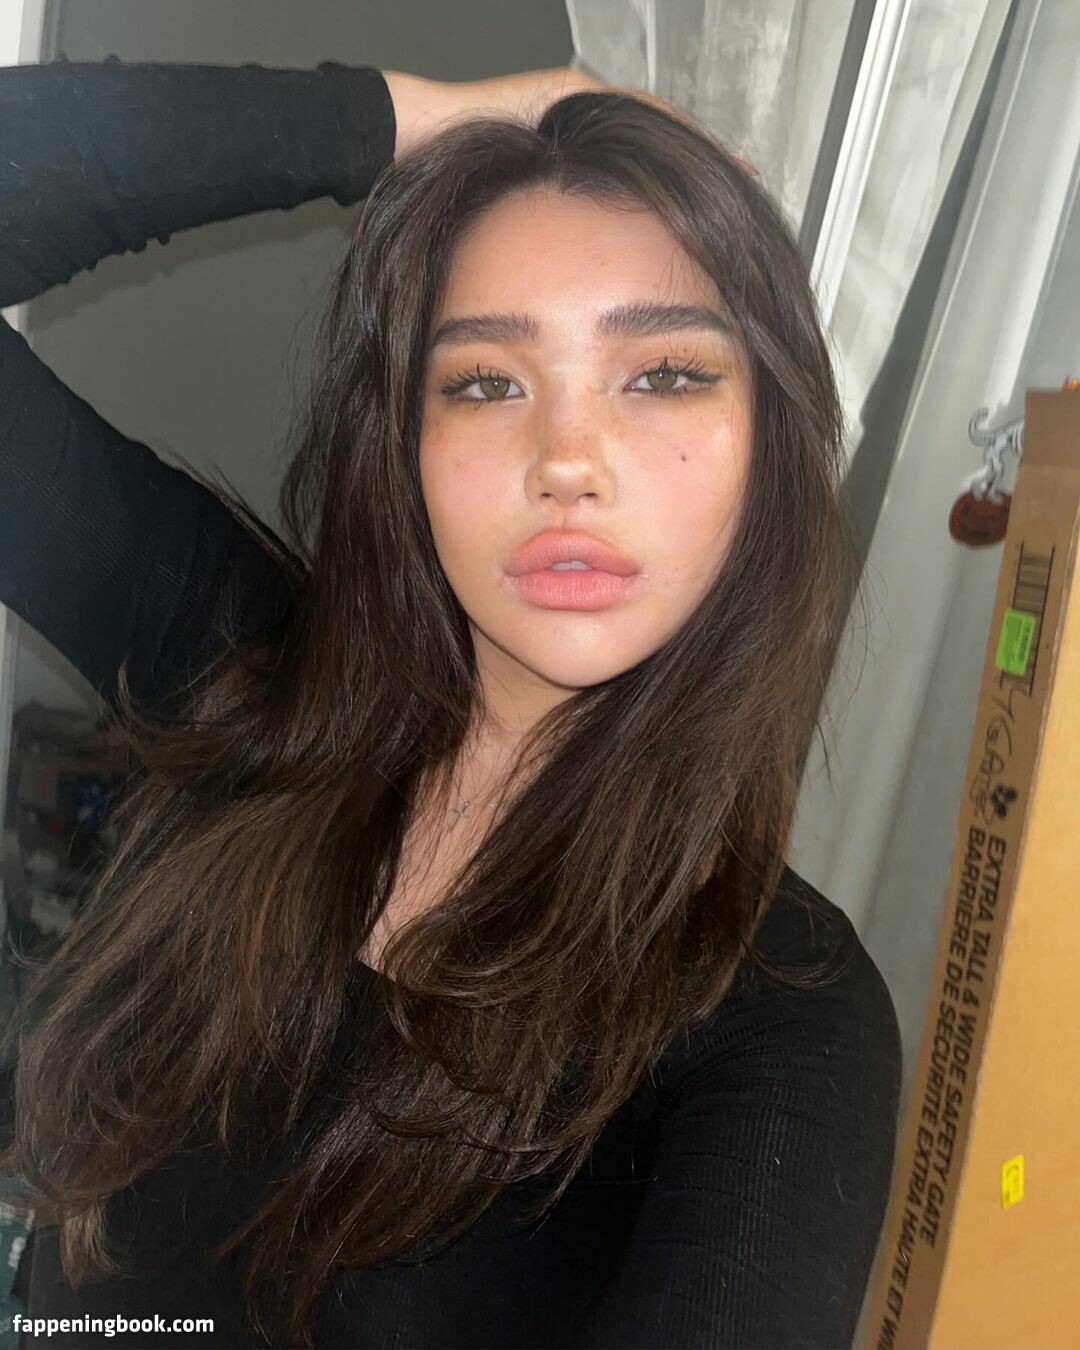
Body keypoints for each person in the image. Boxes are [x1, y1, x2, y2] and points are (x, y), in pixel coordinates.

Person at [0, 53, 902, 1350]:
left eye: (663, 373)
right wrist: (435, 117)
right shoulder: (247, 678)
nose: (568, 460)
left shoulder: (780, 1024)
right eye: (485, 381)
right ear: (403, 442)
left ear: (771, 445)